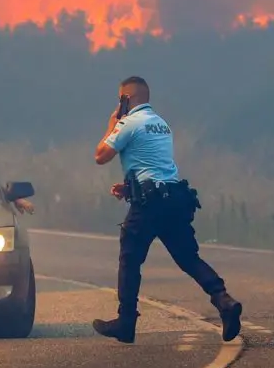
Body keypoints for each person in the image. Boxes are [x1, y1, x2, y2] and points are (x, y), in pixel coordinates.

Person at [91, 75, 242, 344]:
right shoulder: (161, 124)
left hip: (149, 204)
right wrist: (129, 187)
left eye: (120, 99)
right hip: (173, 197)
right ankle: (223, 300)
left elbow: (101, 156)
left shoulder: (128, 122)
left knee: (130, 259)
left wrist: (111, 125)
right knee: (188, 257)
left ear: (126, 99)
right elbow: (152, 166)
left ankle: (126, 322)